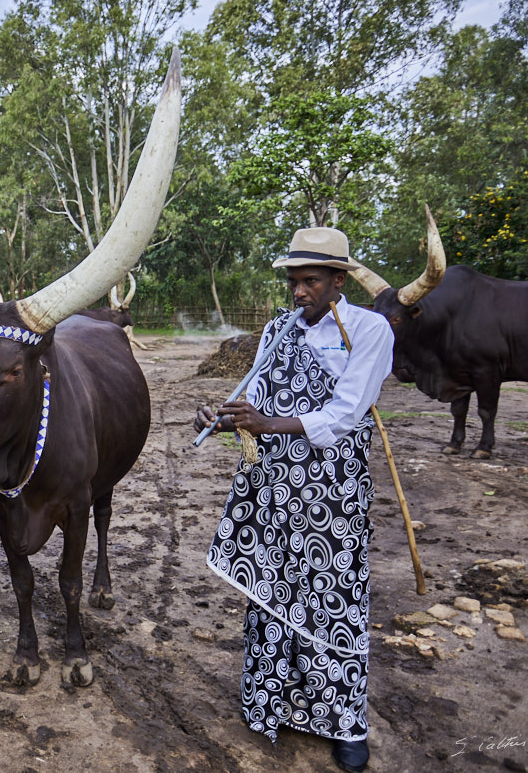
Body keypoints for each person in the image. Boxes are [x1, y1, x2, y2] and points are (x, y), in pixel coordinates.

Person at [193, 227, 393, 773]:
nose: (299, 292)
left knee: (335, 598)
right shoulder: (278, 329)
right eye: (294, 282)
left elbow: (346, 414)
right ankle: (273, 704)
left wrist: (267, 422)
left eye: (310, 281)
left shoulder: (368, 330)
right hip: (274, 486)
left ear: (338, 280)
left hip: (332, 491)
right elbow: (254, 390)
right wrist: (225, 414)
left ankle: (345, 724)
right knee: (274, 591)